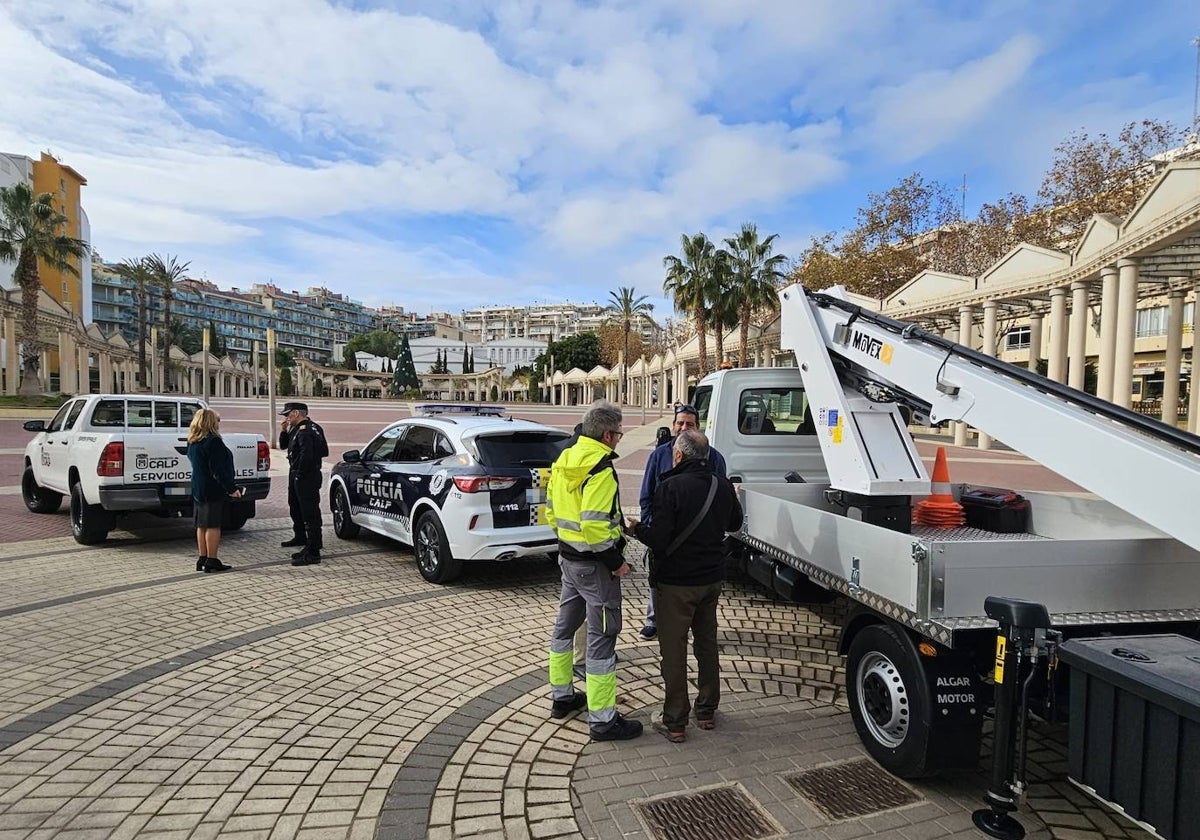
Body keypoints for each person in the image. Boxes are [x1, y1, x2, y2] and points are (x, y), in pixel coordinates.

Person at [628, 430, 743, 742]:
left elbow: (660, 538)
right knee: (706, 643)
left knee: (674, 649)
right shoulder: (722, 484)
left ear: (678, 455)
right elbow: (734, 524)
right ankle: (706, 710)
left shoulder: (670, 486)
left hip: (676, 583)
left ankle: (675, 720)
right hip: (711, 579)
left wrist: (637, 530)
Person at [545, 400, 642, 742]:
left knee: (564, 629)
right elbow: (595, 527)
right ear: (606, 434)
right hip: (596, 569)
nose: (619, 439)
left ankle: (562, 698)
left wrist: (568, 545)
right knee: (602, 640)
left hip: (568, 562)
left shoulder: (564, 459)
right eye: (618, 434)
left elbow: (552, 513)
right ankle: (603, 720)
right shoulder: (599, 468)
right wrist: (617, 563)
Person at [636, 403, 727, 640]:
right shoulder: (659, 455)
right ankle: (653, 620)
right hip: (664, 531)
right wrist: (650, 526)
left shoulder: (714, 457)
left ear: (698, 428)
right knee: (657, 577)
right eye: (680, 423)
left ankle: (696, 625)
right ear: (673, 425)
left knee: (694, 583)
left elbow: (720, 494)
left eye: (689, 424)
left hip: (697, 534)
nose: (683, 428)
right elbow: (646, 494)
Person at [186, 408, 243, 573]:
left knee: (201, 524)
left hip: (198, 486)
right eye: (217, 420)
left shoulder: (192, 441)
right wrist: (231, 489)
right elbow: (217, 470)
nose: (219, 424)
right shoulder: (213, 442)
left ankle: (202, 557)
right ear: (211, 422)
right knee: (213, 525)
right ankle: (212, 559)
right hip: (212, 488)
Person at [278, 402, 329, 566]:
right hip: (299, 474)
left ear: (296, 413)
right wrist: (283, 430)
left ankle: (313, 551)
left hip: (306, 475)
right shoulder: (300, 428)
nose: (286, 418)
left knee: (309, 512)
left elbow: (310, 453)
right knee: (295, 506)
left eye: (288, 415)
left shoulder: (306, 430)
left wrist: (300, 473)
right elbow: (285, 446)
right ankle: (301, 537)